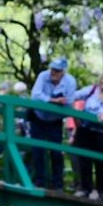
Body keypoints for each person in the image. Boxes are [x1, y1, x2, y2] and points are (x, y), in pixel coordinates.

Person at [29, 57, 77, 190]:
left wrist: (58, 103)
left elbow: (69, 102)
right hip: (38, 117)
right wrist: (53, 100)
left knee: (56, 152)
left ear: (63, 72)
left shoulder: (70, 82)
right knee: (38, 150)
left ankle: (58, 184)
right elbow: (35, 95)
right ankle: (40, 181)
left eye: (57, 70)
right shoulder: (43, 76)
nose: (53, 73)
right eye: (52, 69)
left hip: (55, 120)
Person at [72, 69, 103, 201]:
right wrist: (75, 114)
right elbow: (72, 96)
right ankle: (86, 189)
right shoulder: (91, 90)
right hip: (85, 130)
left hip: (102, 133)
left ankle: (102, 192)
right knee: (85, 161)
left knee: (101, 163)